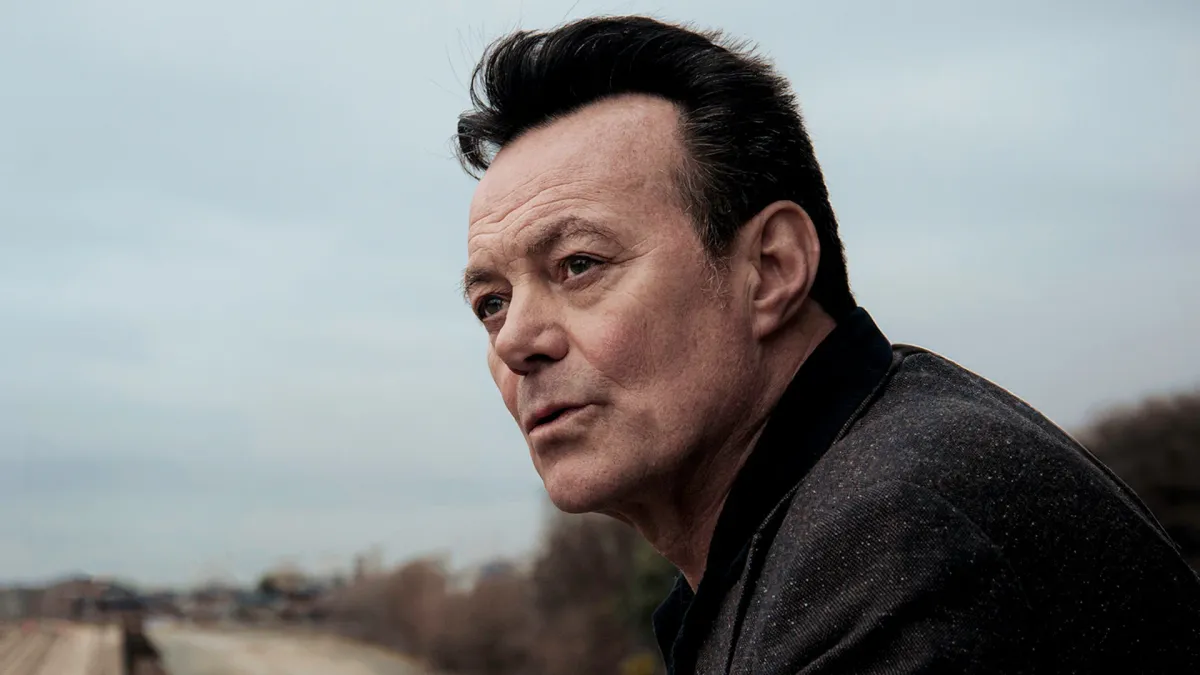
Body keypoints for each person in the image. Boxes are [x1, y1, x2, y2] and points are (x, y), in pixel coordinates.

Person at [453, 15, 1200, 674]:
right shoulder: (825, 517)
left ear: (772, 269)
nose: (516, 341)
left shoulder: (889, 540)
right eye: (492, 303)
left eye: (579, 264)